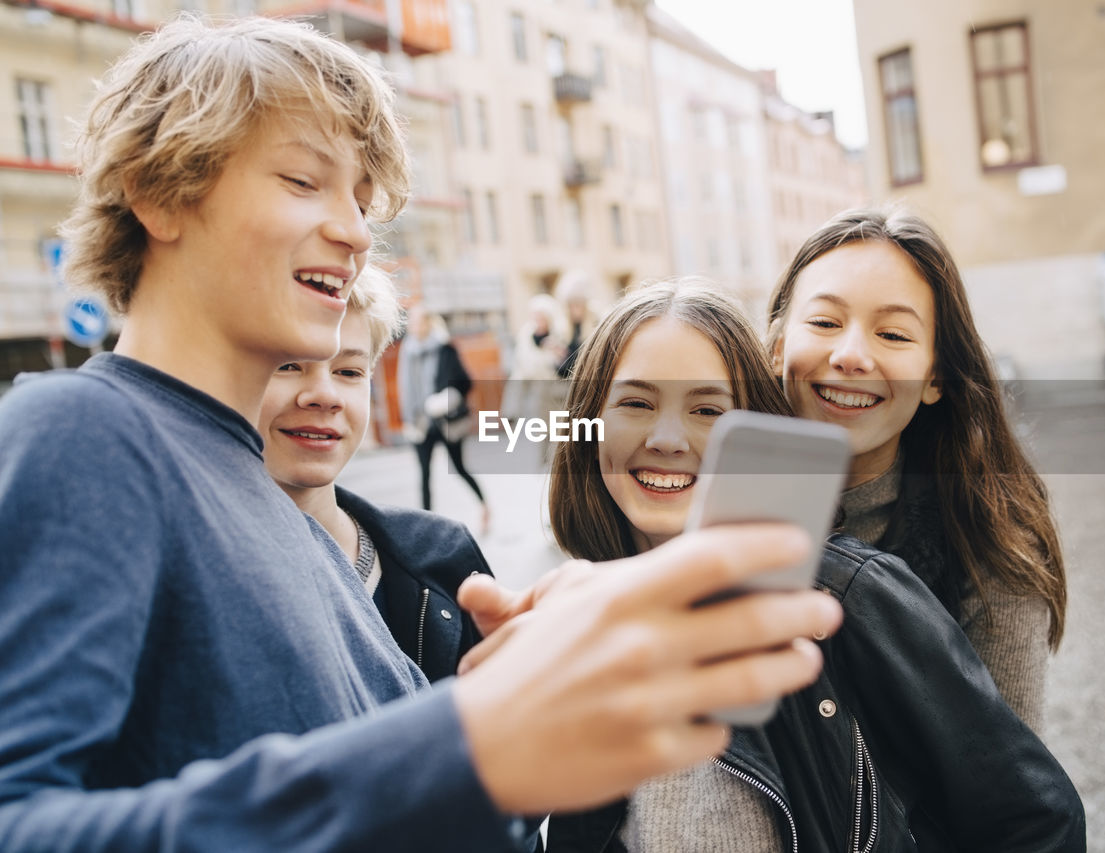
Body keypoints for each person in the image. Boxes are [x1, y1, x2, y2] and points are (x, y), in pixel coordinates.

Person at [0, 16, 842, 851]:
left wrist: (519, 687)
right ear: (157, 191)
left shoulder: (274, 503)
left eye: (363, 202)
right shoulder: (85, 432)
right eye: (304, 181)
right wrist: (466, 742)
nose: (357, 232)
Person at [544, 278, 1084, 852]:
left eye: (707, 409)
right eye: (634, 403)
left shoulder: (848, 595)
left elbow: (1037, 820)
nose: (668, 438)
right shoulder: (582, 624)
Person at [766, 206, 1068, 731]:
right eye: (824, 322)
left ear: (936, 378)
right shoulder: (691, 495)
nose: (852, 355)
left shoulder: (987, 543)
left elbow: (1004, 792)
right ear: (776, 348)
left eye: (894, 335)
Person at [259, 268, 492, 682]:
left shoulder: (445, 555)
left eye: (349, 372)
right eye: (289, 364)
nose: (325, 395)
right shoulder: (188, 576)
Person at [397, 302, 489, 530]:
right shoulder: (407, 351)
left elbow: (465, 382)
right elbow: (404, 388)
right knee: (424, 475)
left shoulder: (445, 348)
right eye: (412, 321)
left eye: (419, 321)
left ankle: (484, 505)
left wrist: (446, 399)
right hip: (420, 423)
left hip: (445, 420)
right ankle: (427, 525)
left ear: (428, 323)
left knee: (459, 467)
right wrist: (408, 421)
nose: (414, 326)